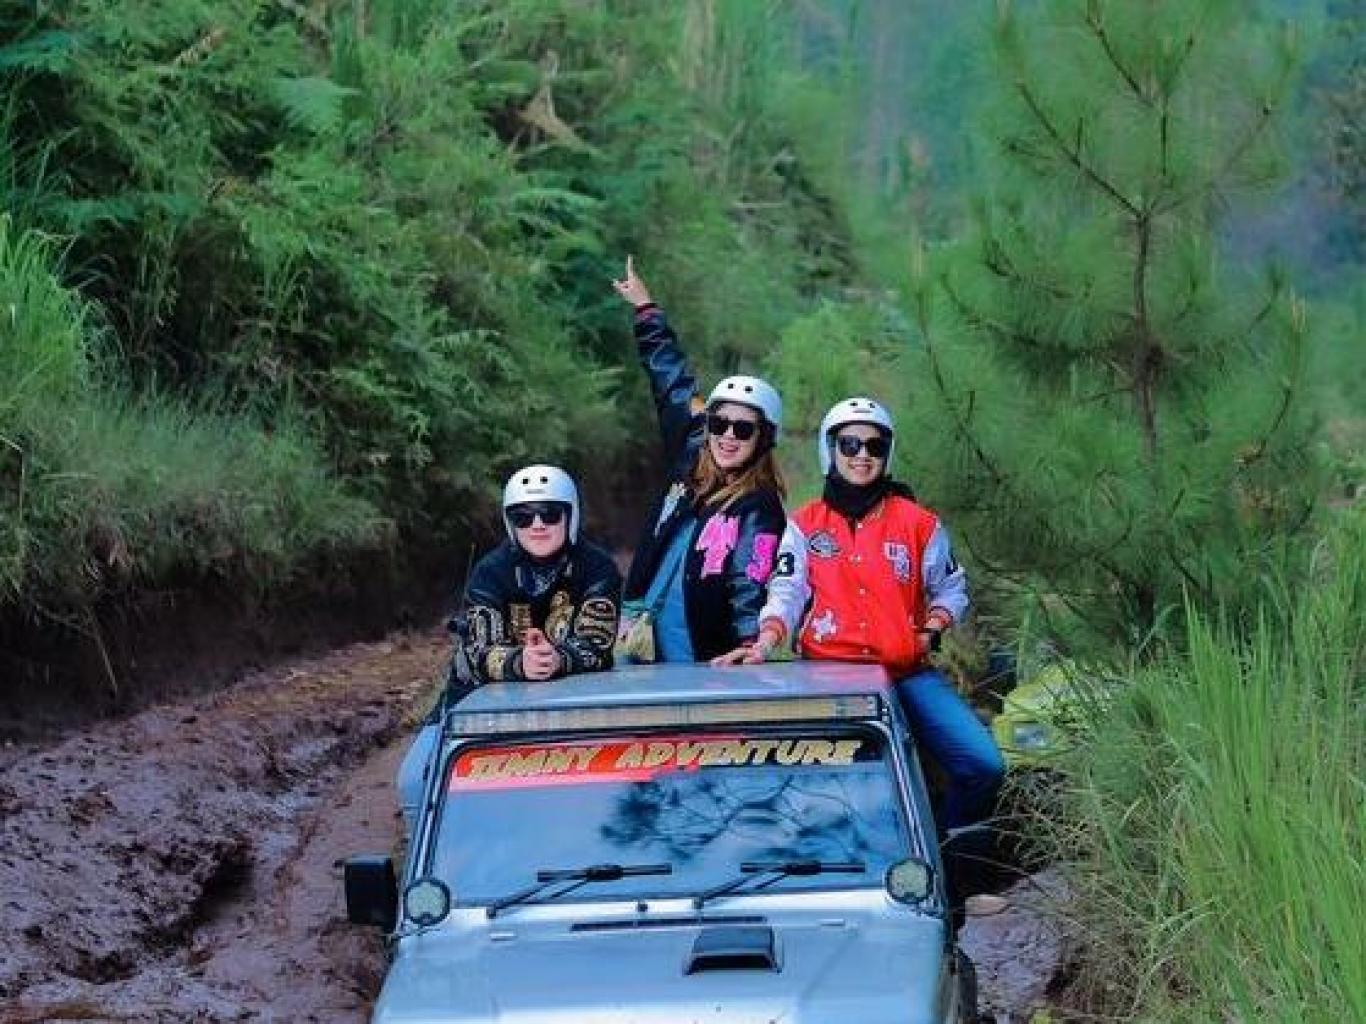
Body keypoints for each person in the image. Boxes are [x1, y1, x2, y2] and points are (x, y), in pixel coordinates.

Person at [715, 397, 1005, 830]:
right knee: (833, 785)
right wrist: (765, 642)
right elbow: (787, 591)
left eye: (874, 446)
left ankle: (943, 848)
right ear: (830, 449)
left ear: (887, 452)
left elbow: (951, 586)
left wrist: (931, 630)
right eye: (850, 444)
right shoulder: (805, 524)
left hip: (906, 673)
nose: (862, 455)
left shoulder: (919, 523)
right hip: (827, 676)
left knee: (984, 765)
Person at [396, 464, 622, 827]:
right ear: (510, 522)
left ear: (571, 516)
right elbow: (478, 651)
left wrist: (557, 658)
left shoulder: (598, 568)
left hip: (573, 702)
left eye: (550, 514)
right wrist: (521, 661)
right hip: (473, 701)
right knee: (413, 782)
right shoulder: (490, 571)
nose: (537, 525)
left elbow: (597, 644)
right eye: (523, 516)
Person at [611, 257, 786, 663]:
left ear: (763, 439)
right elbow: (671, 382)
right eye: (719, 423)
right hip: (638, 624)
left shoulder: (760, 507)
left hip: (696, 643)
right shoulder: (692, 450)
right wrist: (646, 311)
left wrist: (749, 643)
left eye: (743, 429)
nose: (728, 436)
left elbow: (750, 577)